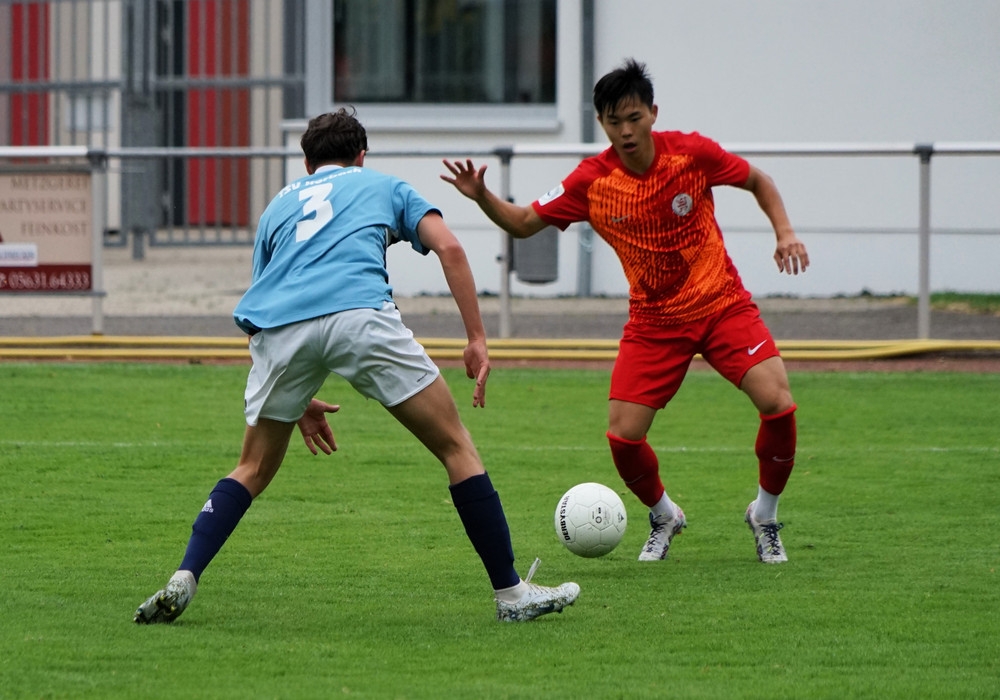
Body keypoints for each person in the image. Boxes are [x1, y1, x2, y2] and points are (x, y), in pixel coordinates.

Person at [134, 108, 579, 624]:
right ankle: (511, 595)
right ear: (361, 157)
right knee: (456, 447)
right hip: (360, 317)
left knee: (252, 468)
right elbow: (450, 248)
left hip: (281, 331)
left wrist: (296, 393)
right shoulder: (384, 185)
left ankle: (184, 576)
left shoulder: (278, 206)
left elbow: (262, 304)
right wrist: (477, 338)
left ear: (307, 163)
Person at [442, 59, 809, 564]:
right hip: (654, 324)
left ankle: (764, 515)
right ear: (601, 123)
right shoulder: (592, 180)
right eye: (614, 122)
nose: (626, 131)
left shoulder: (691, 153)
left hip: (722, 305)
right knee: (623, 437)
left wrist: (785, 233)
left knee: (778, 404)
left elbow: (759, 181)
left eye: (634, 118)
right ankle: (664, 515)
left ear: (653, 113)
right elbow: (524, 222)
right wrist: (482, 195)